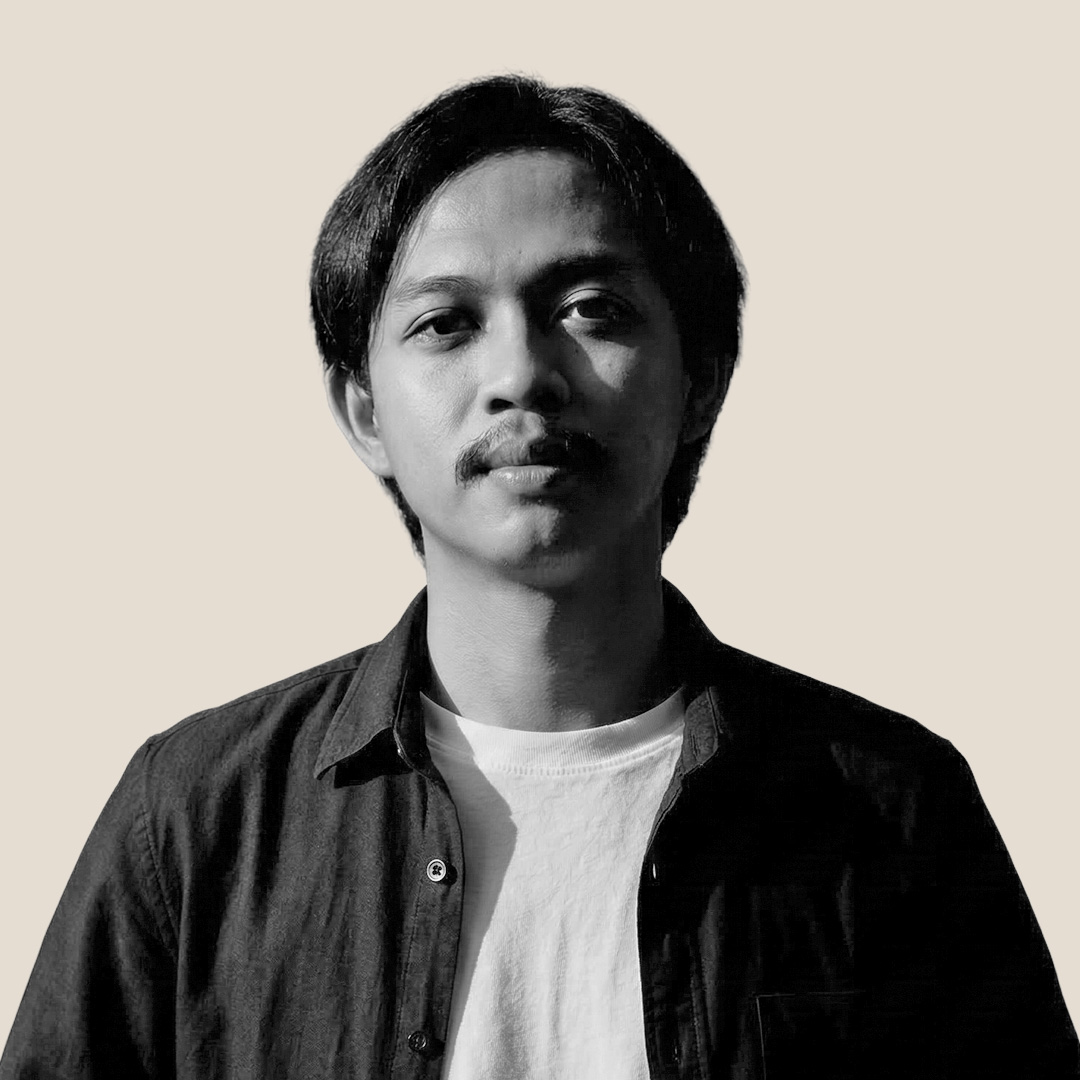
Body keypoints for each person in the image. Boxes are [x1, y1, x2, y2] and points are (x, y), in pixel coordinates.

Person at [2, 74, 1076, 1080]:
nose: (521, 374)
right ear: (364, 412)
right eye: (446, 324)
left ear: (700, 379)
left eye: (592, 308)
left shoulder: (890, 811)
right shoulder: (197, 822)